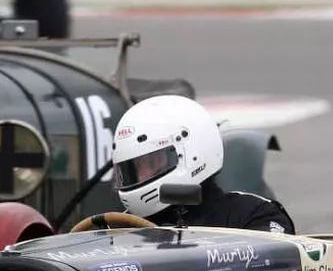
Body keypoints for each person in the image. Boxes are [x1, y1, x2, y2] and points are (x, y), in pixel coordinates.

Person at [110, 94, 294, 234]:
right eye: (131, 169)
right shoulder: (119, 228)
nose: (141, 175)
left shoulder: (253, 216)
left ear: (191, 154)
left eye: (150, 163)